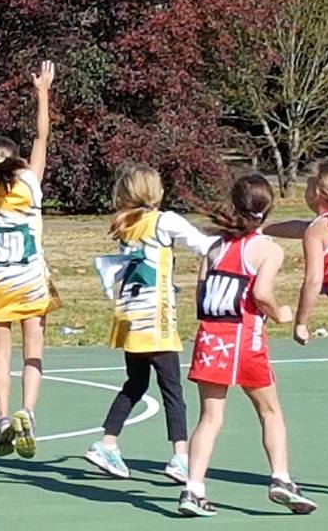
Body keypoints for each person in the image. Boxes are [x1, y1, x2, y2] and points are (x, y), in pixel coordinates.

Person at [179, 174, 317, 517]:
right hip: (244, 339)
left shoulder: (215, 248)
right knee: (270, 410)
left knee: (210, 417)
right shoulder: (268, 249)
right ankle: (281, 478)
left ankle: (193, 488)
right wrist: (281, 313)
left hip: (210, 338)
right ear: (267, 210)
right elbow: (261, 293)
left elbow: (201, 293)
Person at [85, 164, 214, 482]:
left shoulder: (127, 223)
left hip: (131, 316)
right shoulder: (163, 221)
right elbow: (204, 246)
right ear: (154, 191)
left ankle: (108, 443)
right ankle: (180, 456)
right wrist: (235, 237)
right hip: (154, 317)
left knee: (136, 383)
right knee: (172, 389)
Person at [0, 60, 57, 459]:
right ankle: (28, 411)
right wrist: (42, 92)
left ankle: (2, 418)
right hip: (31, 279)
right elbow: (42, 135)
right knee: (33, 349)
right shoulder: (30, 184)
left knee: (0, 354)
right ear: (18, 162)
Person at [264, 159, 328, 342]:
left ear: (316, 192)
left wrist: (301, 322)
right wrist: (262, 228)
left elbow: (313, 281)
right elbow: (299, 228)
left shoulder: (318, 230)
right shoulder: (324, 226)